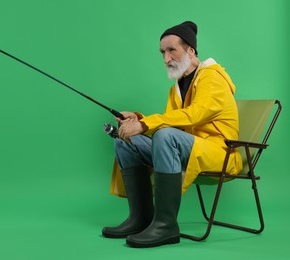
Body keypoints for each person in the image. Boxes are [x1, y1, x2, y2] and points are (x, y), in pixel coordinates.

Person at [102, 21, 243, 248]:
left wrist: (147, 124)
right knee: (125, 141)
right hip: (190, 149)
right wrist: (138, 121)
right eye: (162, 53)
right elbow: (173, 126)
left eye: (171, 50)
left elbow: (195, 114)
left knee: (164, 135)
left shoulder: (212, 77)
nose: (166, 58)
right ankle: (141, 219)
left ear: (190, 51)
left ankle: (166, 225)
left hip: (220, 153)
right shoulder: (176, 88)